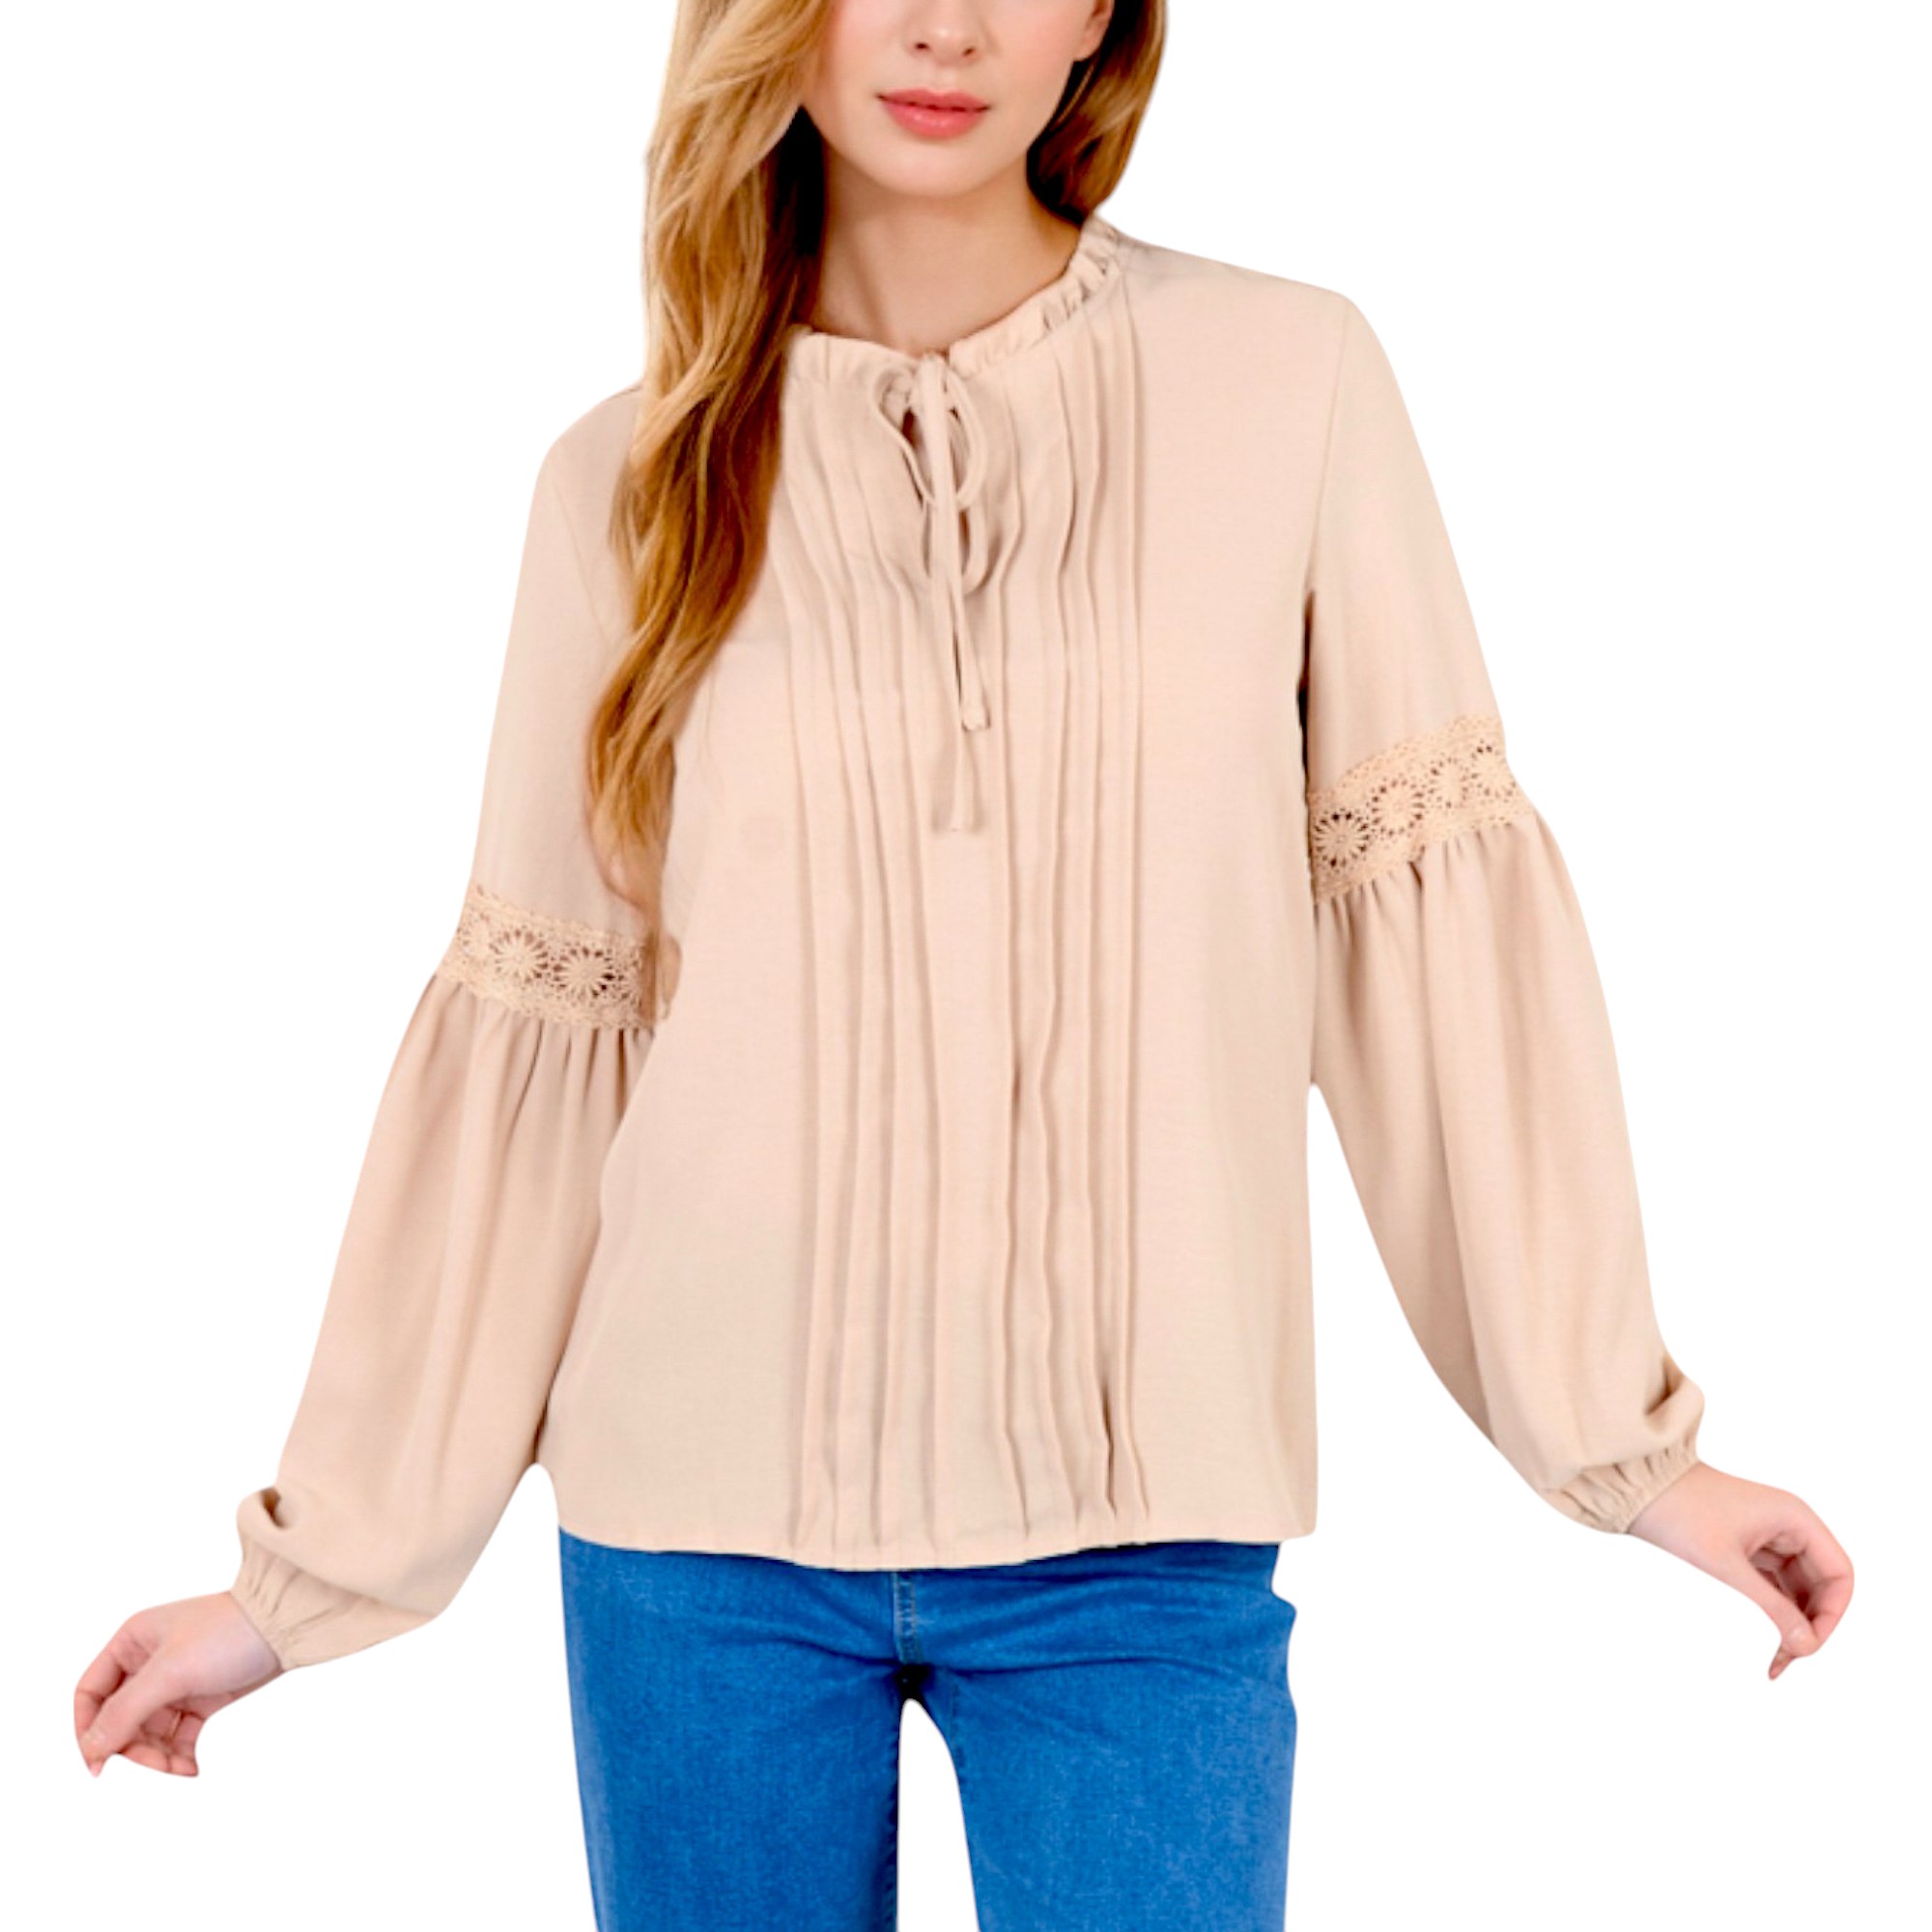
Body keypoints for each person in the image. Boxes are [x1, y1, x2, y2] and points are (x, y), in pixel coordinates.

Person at [74, 2, 1853, 1925]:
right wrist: (303, 1583)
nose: (942, 25)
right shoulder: (623, 480)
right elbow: (545, 1029)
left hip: (1142, 1538)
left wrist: (1628, 1452)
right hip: (693, 1547)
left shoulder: (1290, 379)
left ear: (1098, 14)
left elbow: (1427, 945)